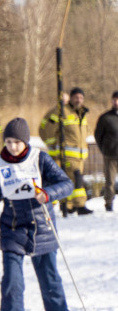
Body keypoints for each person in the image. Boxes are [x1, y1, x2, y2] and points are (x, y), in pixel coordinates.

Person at [0, 118, 72, 311]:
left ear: (25, 141)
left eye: (17, 142)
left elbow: (66, 184)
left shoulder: (40, 159)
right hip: (13, 229)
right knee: (12, 282)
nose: (12, 146)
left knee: (49, 277)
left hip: (42, 226)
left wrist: (47, 194)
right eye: (8, 141)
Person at [40, 87, 92, 216]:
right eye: (76, 97)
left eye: (81, 97)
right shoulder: (61, 111)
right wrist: (53, 145)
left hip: (80, 156)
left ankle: (68, 205)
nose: (78, 100)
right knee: (76, 178)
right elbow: (46, 129)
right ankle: (79, 205)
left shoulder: (81, 113)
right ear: (71, 98)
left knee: (70, 180)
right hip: (68, 155)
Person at [92, 90, 118, 212]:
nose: (116, 102)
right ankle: (108, 203)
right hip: (110, 155)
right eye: (115, 99)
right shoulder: (105, 117)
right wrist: (104, 149)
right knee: (110, 182)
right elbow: (98, 135)